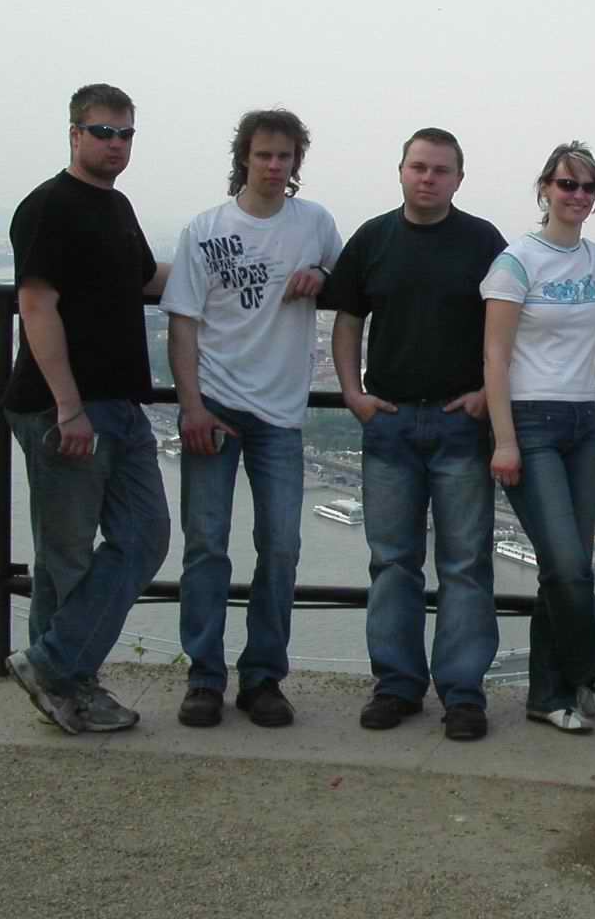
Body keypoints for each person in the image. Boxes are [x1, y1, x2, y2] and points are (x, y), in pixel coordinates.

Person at [160, 109, 343, 729]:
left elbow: (348, 278)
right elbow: (182, 323)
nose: (273, 166)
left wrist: (322, 273)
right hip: (214, 403)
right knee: (206, 546)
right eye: (264, 155)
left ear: (296, 163)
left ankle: (263, 676)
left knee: (282, 548)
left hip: (281, 414)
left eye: (284, 156)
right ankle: (204, 676)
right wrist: (191, 406)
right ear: (244, 157)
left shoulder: (314, 223)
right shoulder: (204, 229)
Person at [326, 128, 506, 741]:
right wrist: (352, 393)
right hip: (391, 420)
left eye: (440, 170)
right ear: (401, 171)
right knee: (393, 562)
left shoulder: (483, 241)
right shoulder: (373, 239)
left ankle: (462, 691)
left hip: (461, 422)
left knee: (465, 564)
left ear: (459, 179)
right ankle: (397, 685)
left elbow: (508, 322)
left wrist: (486, 393)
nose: (428, 178)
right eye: (419, 167)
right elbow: (348, 319)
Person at [2, 82, 171, 734]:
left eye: (126, 134)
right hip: (64, 408)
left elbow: (146, 278)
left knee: (145, 535)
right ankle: (70, 687)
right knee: (66, 557)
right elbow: (36, 305)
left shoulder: (117, 206)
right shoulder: (48, 206)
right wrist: (67, 407)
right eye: (103, 132)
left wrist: (237, 270)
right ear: (74, 134)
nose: (115, 144)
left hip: (121, 403)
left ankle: (51, 666)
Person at [481, 142, 595, 734]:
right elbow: (495, 355)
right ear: (545, 188)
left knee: (565, 567)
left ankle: (548, 693)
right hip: (531, 423)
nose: (578, 195)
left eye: (589, 187)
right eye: (567, 184)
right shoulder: (517, 262)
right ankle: (589, 665)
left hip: (584, 423)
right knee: (568, 567)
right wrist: (504, 440)